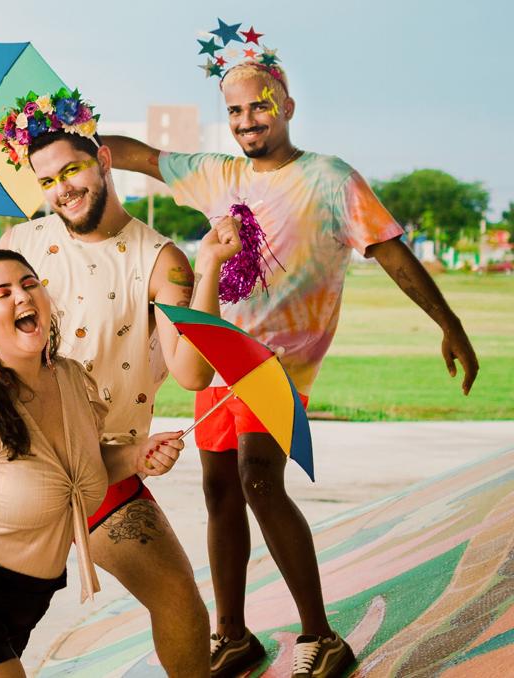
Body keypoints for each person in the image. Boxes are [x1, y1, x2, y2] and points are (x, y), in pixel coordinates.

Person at [103, 44, 479, 677]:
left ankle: (321, 636)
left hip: (278, 365)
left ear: (287, 106)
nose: (247, 120)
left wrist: (450, 324)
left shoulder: (330, 179)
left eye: (259, 106)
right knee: (219, 488)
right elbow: (136, 155)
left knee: (258, 478)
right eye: (235, 111)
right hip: (221, 354)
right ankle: (233, 635)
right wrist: (65, 141)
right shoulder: (216, 173)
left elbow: (391, 252)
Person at [0, 88, 242, 676]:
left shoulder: (159, 259)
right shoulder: (21, 245)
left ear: (103, 160)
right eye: (47, 181)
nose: (62, 190)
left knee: (179, 599)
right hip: (12, 460)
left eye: (71, 171)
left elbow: (192, 372)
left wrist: (209, 268)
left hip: (100, 463)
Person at [0, 248, 185, 678]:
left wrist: (139, 455)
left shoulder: (70, 380)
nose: (23, 296)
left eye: (30, 284)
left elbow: (77, 467)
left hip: (24, 600)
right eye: (2, 293)